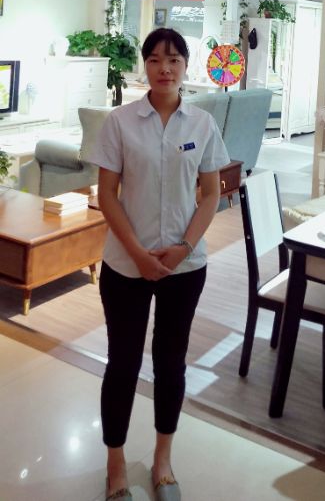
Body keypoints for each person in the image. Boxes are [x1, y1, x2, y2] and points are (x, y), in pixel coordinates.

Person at [90, 27, 230, 501]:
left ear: (186, 65)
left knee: (171, 364)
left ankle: (163, 459)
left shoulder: (202, 124)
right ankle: (115, 464)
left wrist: (183, 248)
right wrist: (137, 252)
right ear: (144, 66)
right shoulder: (120, 122)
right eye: (154, 60)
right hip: (125, 266)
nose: (164, 69)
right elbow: (107, 194)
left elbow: (210, 195)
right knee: (123, 363)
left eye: (173, 60)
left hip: (183, 269)